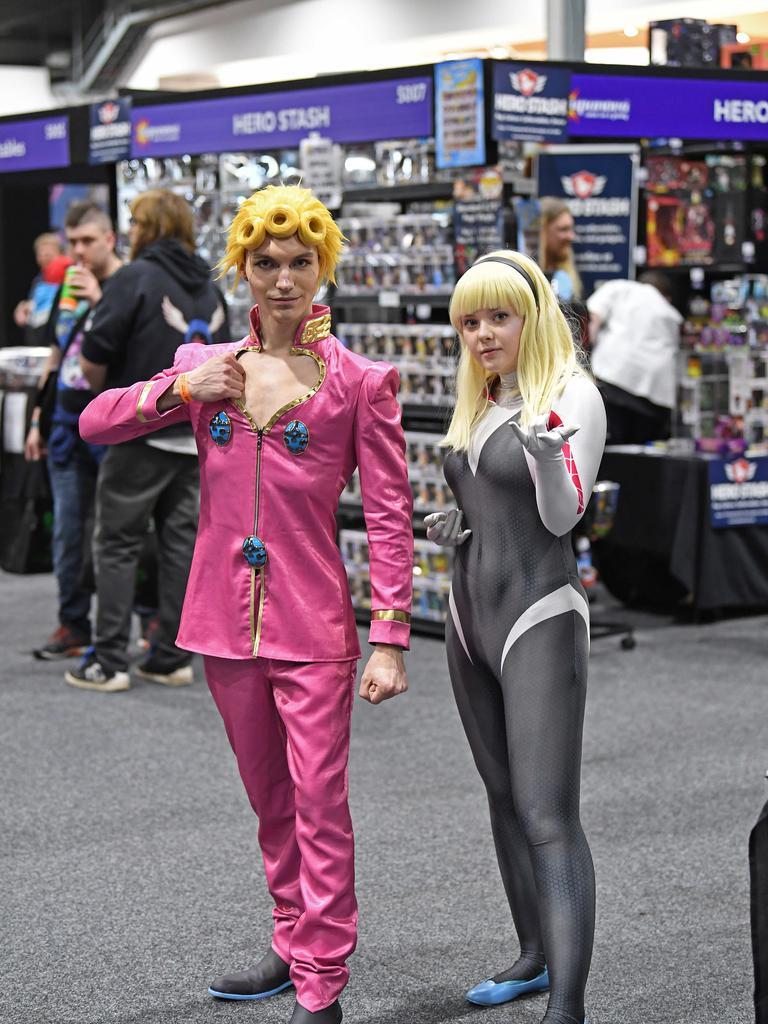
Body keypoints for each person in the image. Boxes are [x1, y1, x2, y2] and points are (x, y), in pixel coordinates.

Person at [77, 185, 413, 1023]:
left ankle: (322, 981)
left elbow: (389, 517)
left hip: (316, 628)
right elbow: (92, 420)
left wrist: (392, 635)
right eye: (266, 263)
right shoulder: (208, 367)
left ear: (323, 267)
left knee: (319, 803)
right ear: (243, 267)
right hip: (222, 625)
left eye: (301, 263)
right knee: (270, 802)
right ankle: (291, 938)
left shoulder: (361, 382)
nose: (284, 280)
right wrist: (181, 391)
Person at [425, 250, 605, 1024]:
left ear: (532, 315)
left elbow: (565, 518)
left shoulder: (571, 395)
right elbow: (486, 506)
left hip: (539, 616)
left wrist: (547, 462)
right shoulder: (482, 398)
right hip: (468, 619)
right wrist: (452, 527)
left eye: (498, 316)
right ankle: (533, 958)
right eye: (469, 321)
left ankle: (567, 1004)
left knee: (547, 813)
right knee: (502, 799)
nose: (483, 333)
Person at [66, 189, 229, 693]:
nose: (130, 231)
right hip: (195, 437)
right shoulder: (211, 285)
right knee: (181, 547)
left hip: (141, 430)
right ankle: (168, 658)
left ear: (148, 227)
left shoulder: (134, 277)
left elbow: (94, 354)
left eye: (135, 222)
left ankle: (110, 660)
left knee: (115, 544)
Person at [24, 203, 123, 660]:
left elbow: (134, 353)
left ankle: (141, 623)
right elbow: (56, 353)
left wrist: (101, 300)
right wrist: (37, 420)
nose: (79, 251)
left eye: (87, 240)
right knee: (67, 531)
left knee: (121, 533)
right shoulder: (67, 283)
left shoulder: (128, 284)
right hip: (65, 422)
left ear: (110, 239)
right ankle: (72, 623)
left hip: (114, 424)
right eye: (73, 242)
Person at [587, 271, 682, 444]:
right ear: (666, 296)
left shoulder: (620, 287)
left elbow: (591, 320)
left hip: (614, 376)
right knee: (642, 458)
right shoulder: (672, 314)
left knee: (610, 451)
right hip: (657, 396)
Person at [14, 232, 67, 345]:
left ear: (61, 254)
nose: (43, 259)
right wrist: (23, 308)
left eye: (48, 255)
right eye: (40, 255)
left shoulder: (69, 278)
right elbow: (34, 303)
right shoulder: (38, 279)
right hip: (36, 340)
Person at [540, 197, 581, 302]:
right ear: (542, 231)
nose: (571, 236)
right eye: (563, 229)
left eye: (571, 229)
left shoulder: (564, 277)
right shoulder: (522, 278)